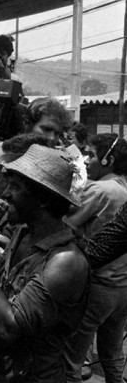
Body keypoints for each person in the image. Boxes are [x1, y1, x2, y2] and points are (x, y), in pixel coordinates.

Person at [0, 144, 89, 382]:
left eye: (15, 187)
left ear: (42, 199)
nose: (5, 194)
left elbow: (9, 327)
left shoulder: (66, 261)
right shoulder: (22, 233)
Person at [63, 134, 127, 383]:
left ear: (108, 159)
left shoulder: (100, 189)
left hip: (98, 288)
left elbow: (67, 225)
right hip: (122, 289)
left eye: (90, 154)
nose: (86, 161)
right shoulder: (123, 187)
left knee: (71, 361)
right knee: (112, 356)